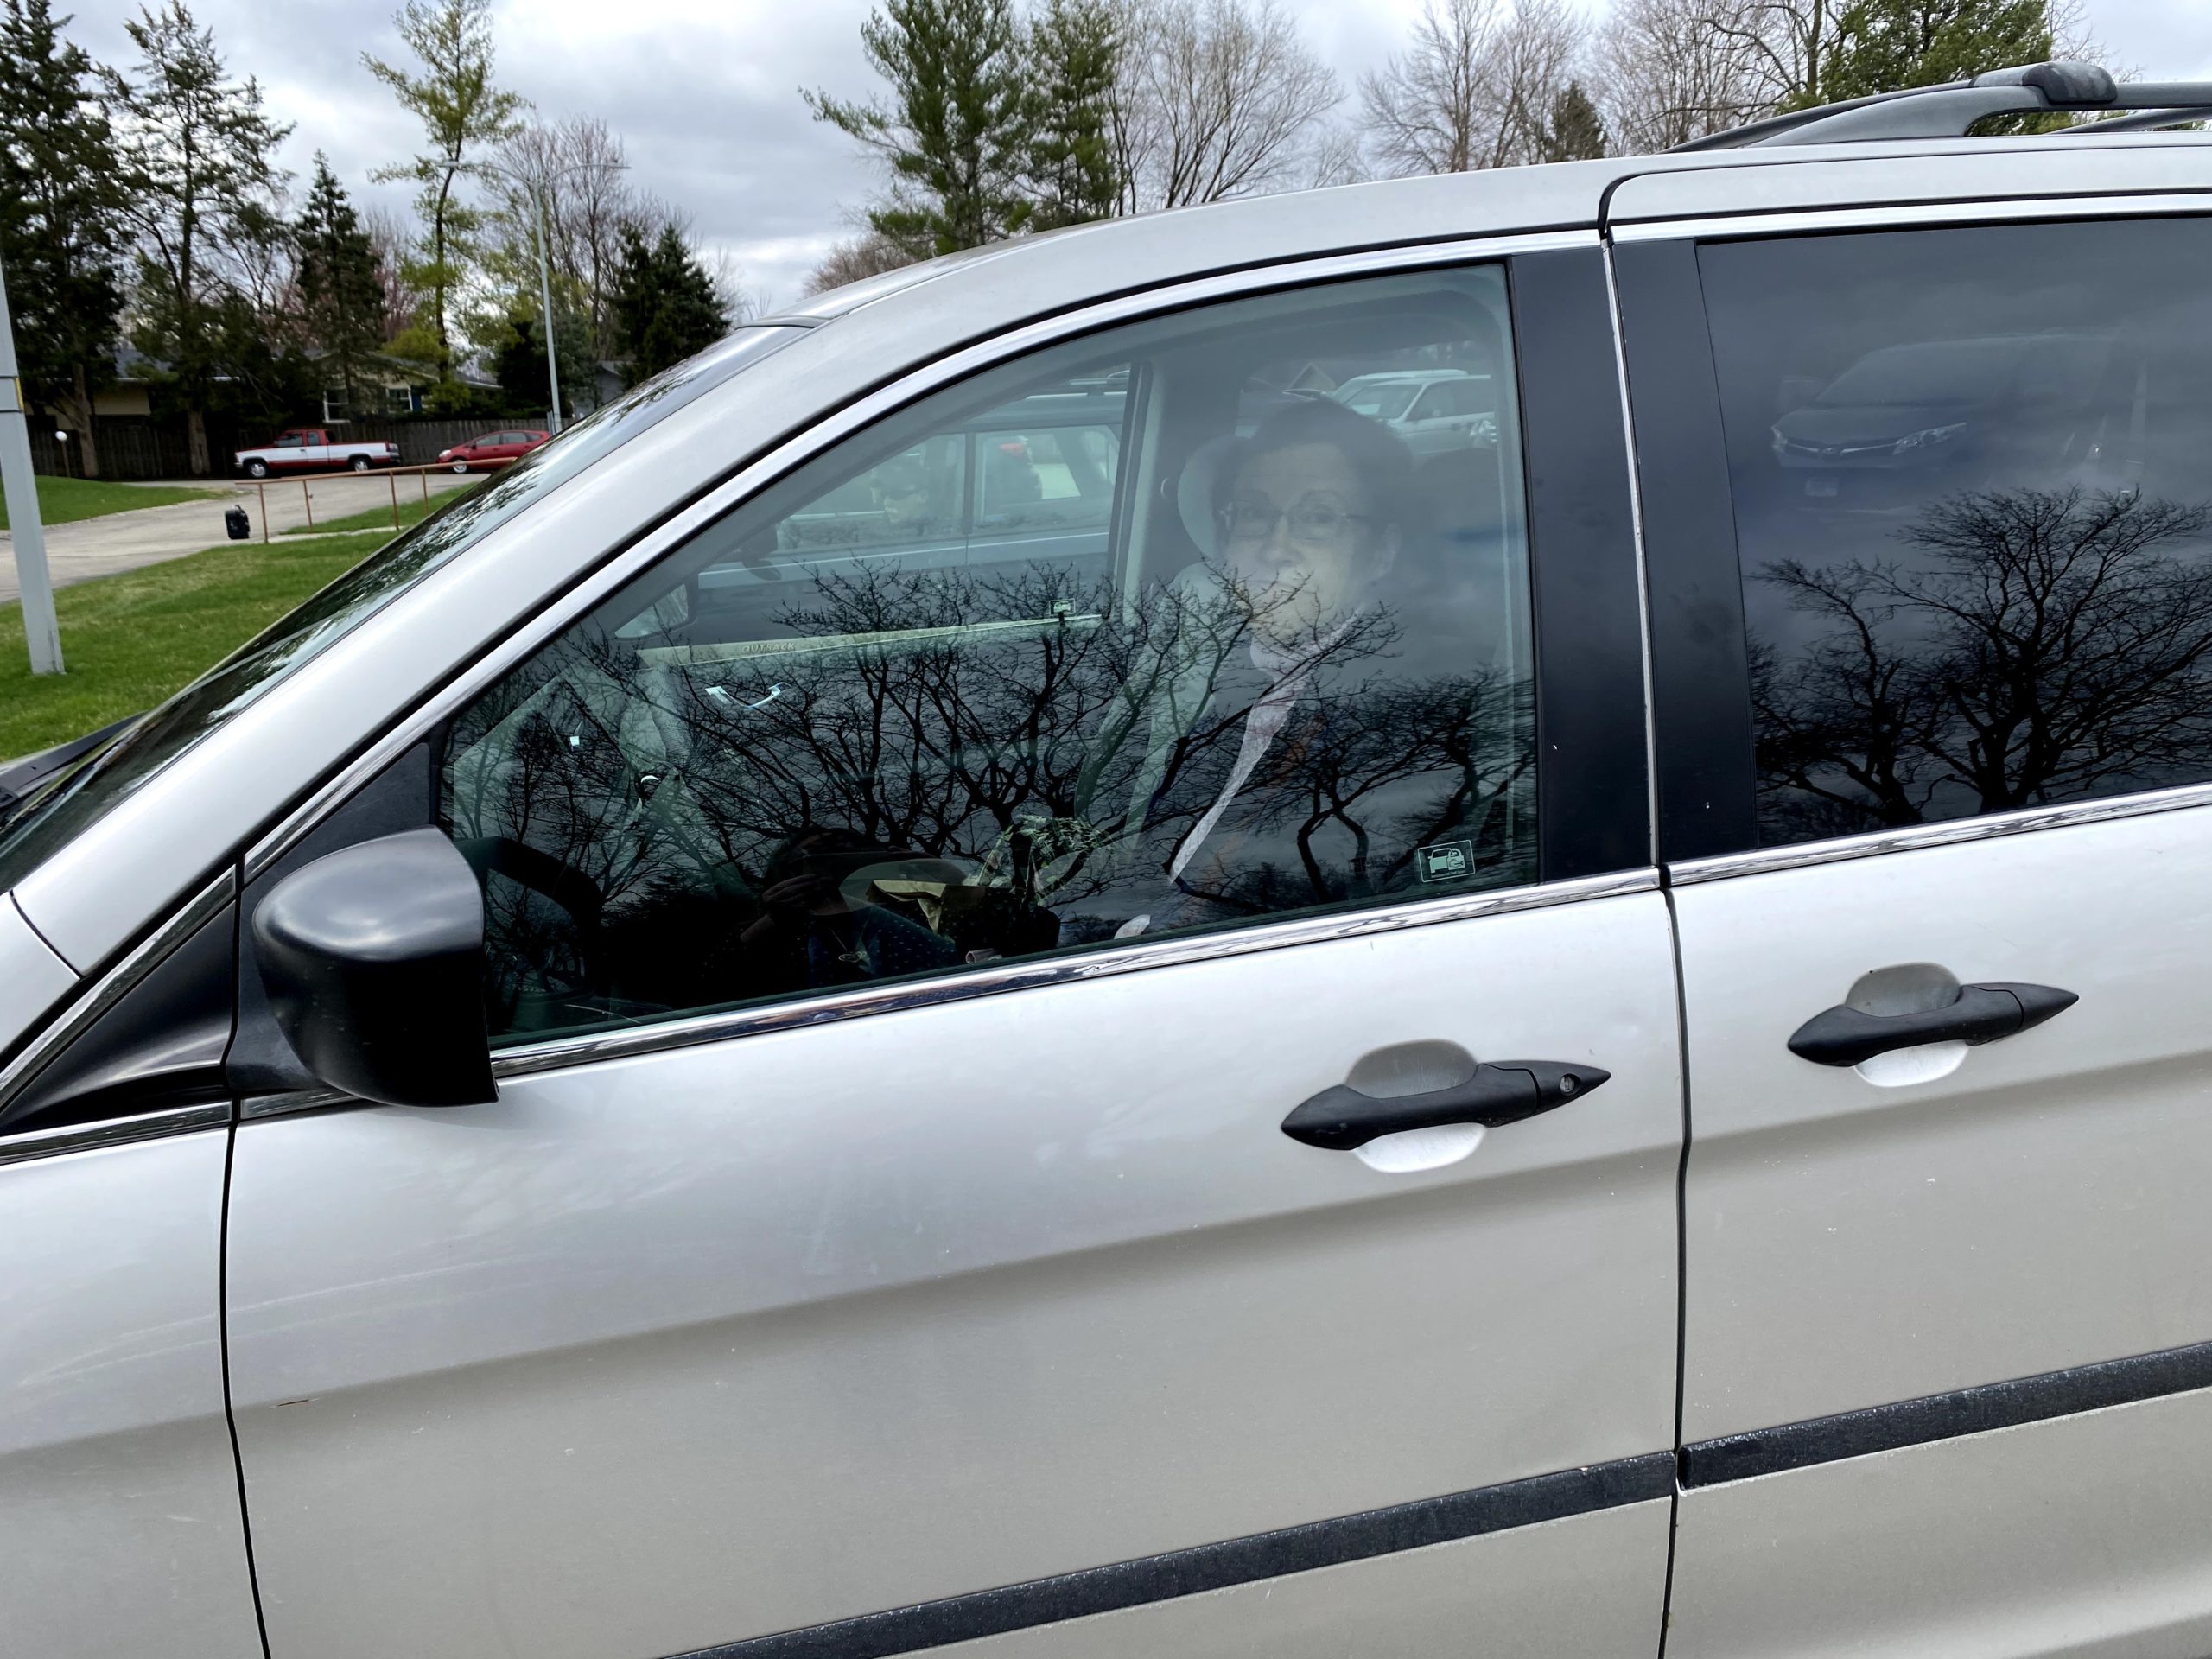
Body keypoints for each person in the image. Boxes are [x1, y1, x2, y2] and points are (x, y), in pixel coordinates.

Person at [1110, 398, 1418, 937]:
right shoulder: (1241, 667)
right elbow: (1165, 850)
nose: (1276, 548)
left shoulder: (1395, 708)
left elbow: (1301, 908)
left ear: (1379, 553)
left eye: (1318, 519)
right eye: (1253, 514)